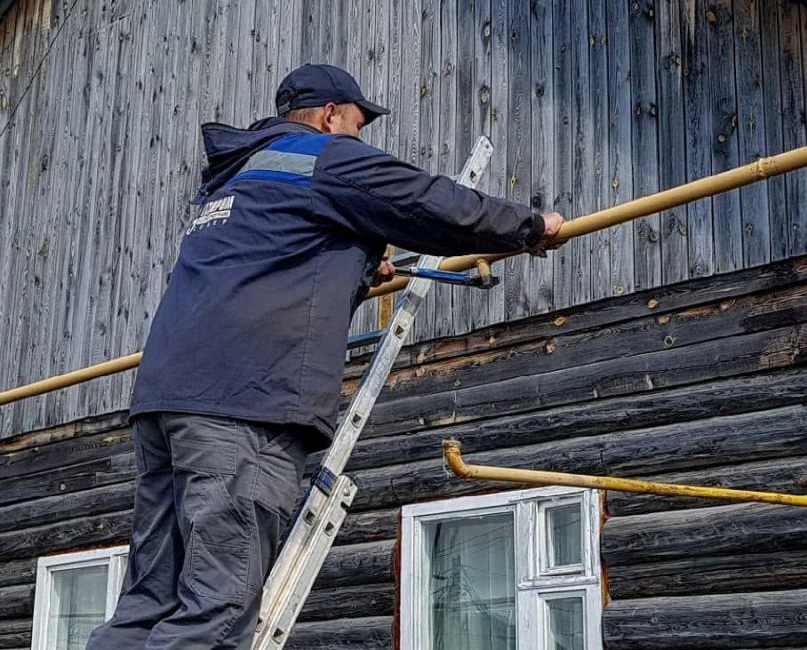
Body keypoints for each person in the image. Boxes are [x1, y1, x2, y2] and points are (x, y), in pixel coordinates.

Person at [87, 63, 564, 649]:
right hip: (242, 404)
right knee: (216, 610)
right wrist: (532, 226)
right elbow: (426, 204)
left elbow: (274, 264)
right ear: (331, 116)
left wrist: (355, 266)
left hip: (165, 402)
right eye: (358, 126)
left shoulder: (235, 179)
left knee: (146, 607)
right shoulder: (323, 156)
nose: (359, 139)